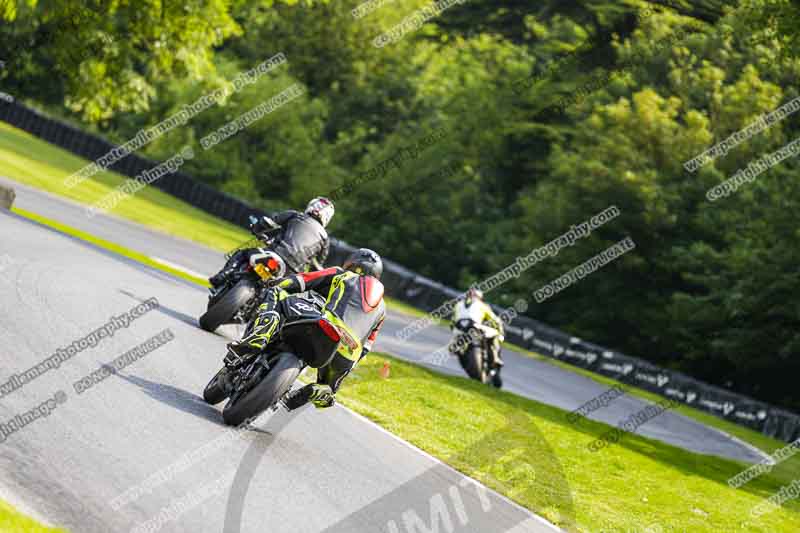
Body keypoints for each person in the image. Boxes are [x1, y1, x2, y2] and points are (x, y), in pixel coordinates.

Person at [225, 248, 386, 410]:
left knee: (275, 293)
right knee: (328, 388)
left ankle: (260, 336)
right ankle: (313, 392)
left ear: (352, 264)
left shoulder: (340, 274)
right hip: (349, 353)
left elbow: (301, 280)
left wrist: (276, 283)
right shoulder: (383, 308)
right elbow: (367, 347)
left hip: (325, 324)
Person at [209, 197, 335, 288]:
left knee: (243, 252)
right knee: (281, 296)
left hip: (274, 254)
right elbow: (317, 267)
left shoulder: (295, 215)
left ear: (311, 206)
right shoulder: (325, 239)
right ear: (327, 217)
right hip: (291, 273)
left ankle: (223, 276)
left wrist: (257, 228)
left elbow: (268, 223)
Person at [451, 288, 505, 383]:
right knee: (496, 334)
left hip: (459, 330)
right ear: (480, 297)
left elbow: (452, 322)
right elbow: (496, 320)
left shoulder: (458, 305)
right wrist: (501, 332)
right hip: (476, 327)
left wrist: (454, 332)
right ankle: (496, 359)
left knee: (454, 348)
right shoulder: (483, 305)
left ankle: (460, 354)